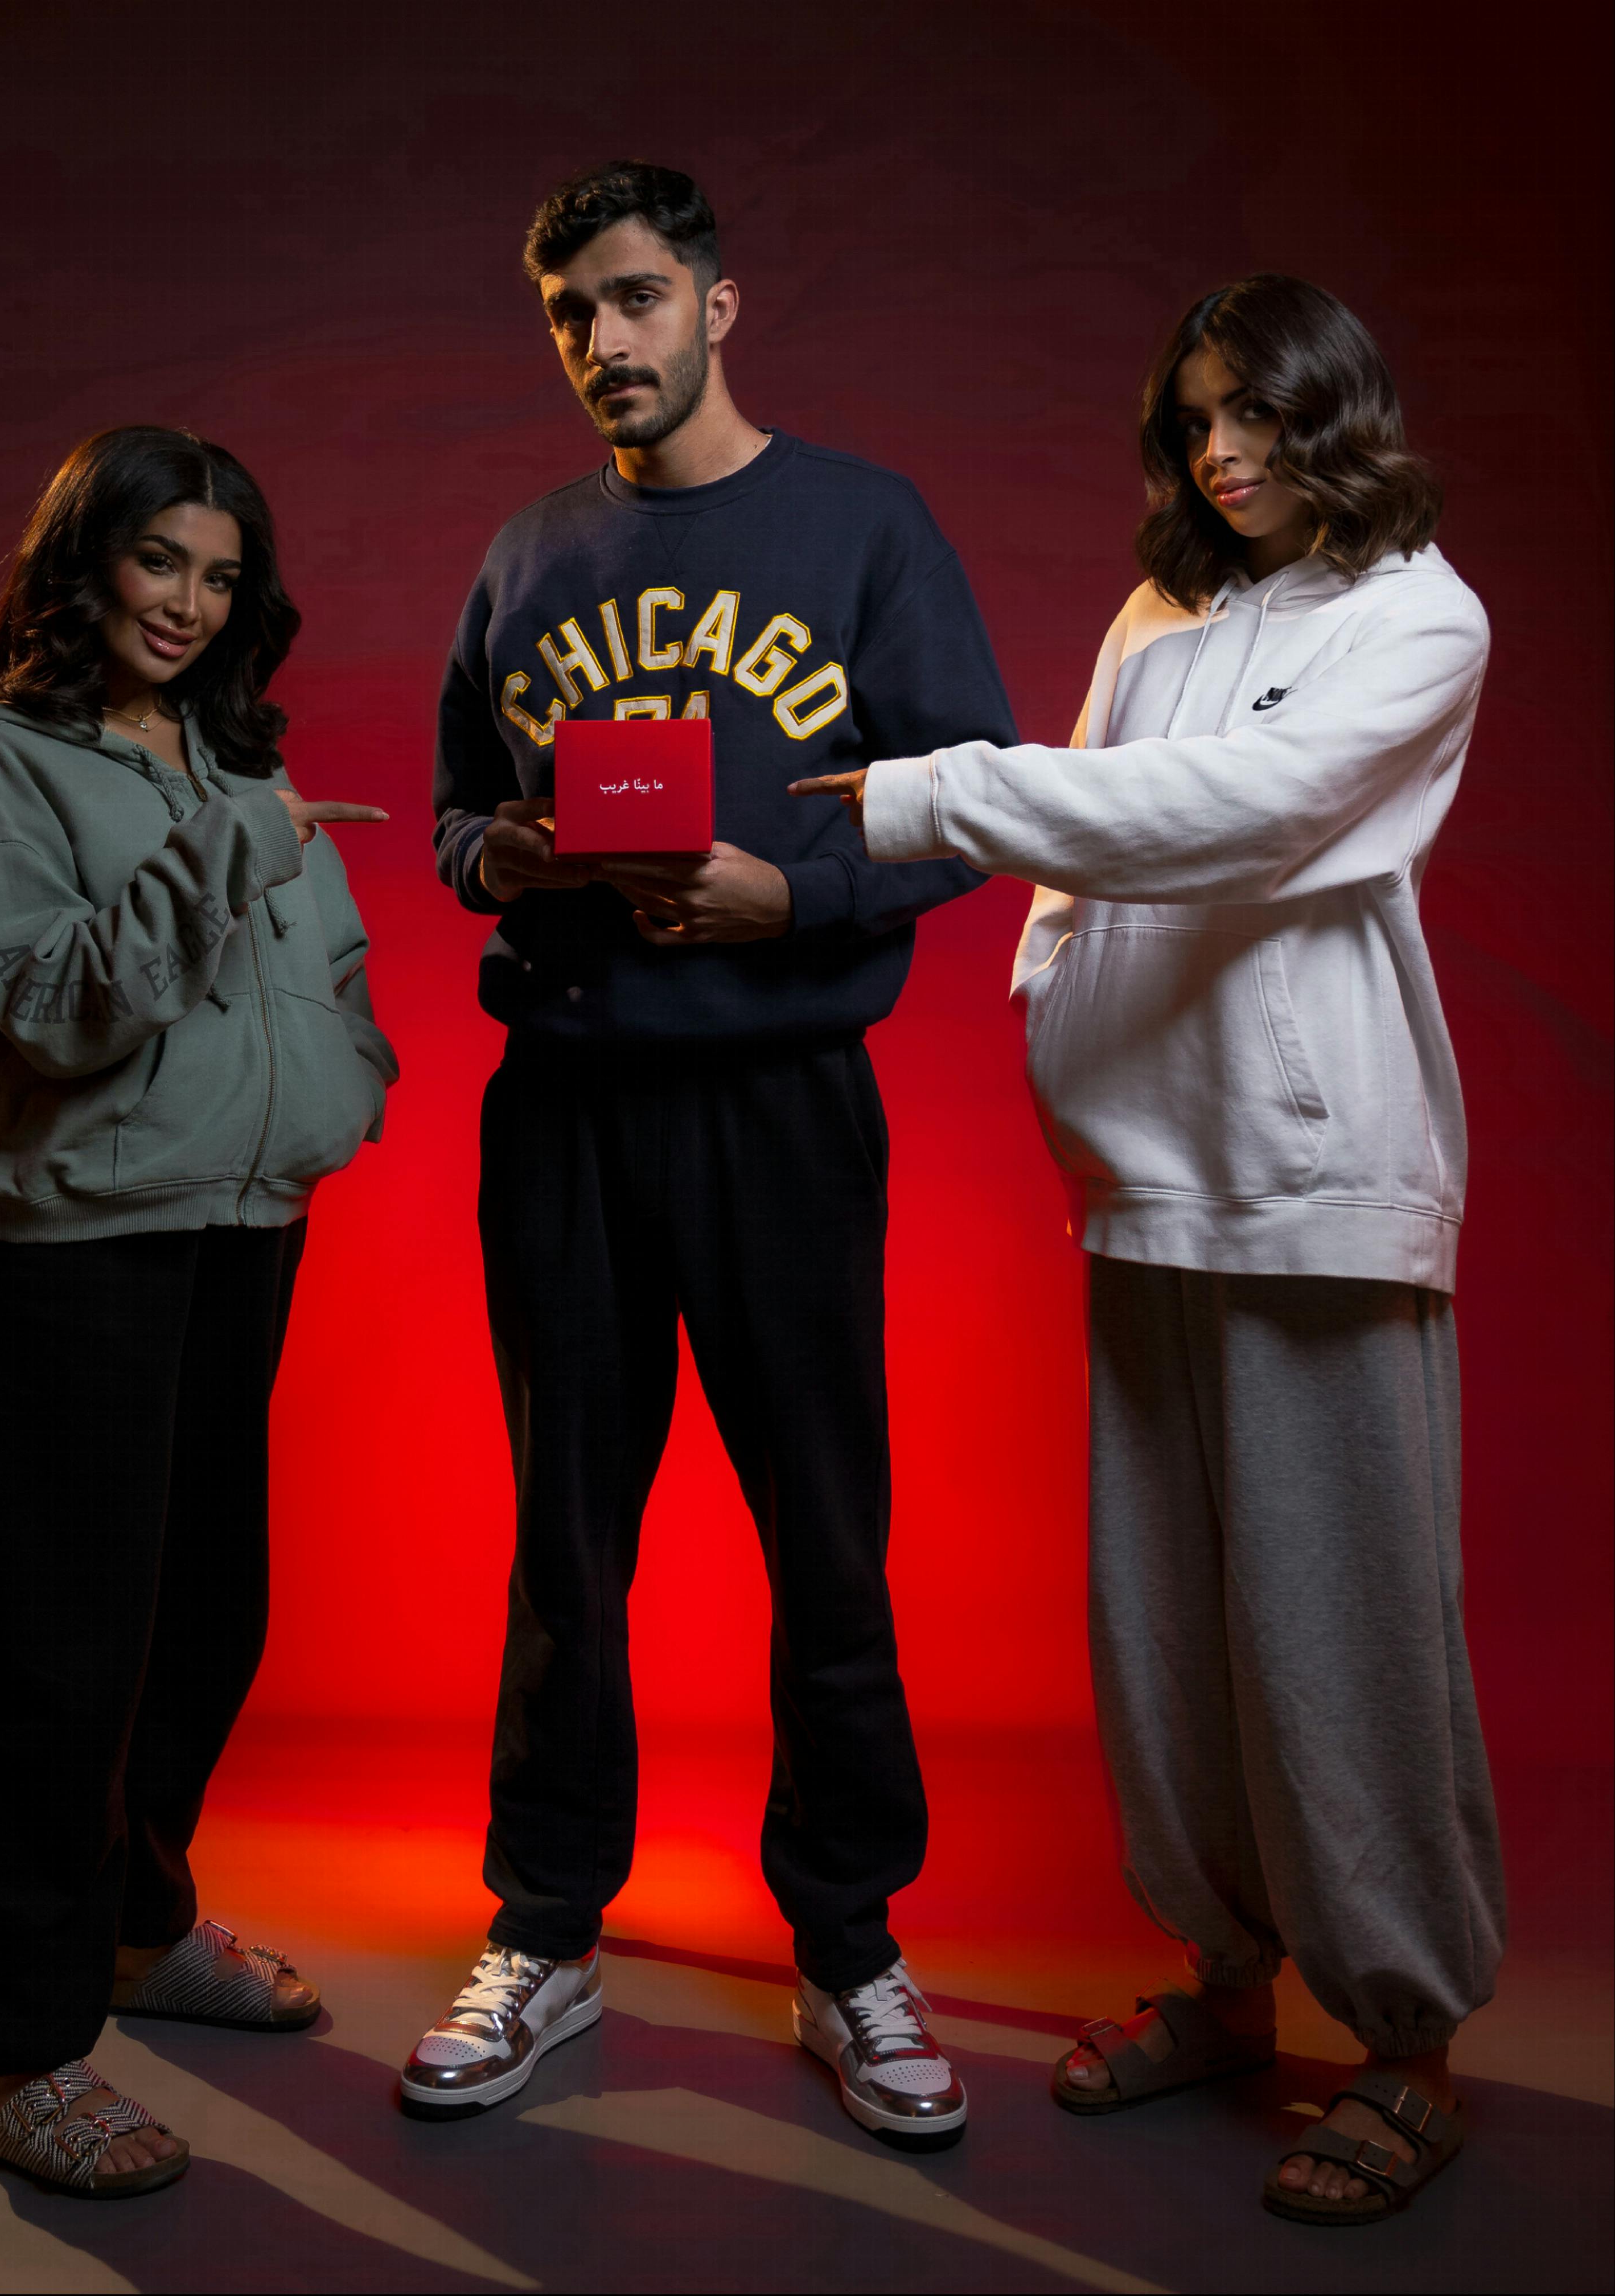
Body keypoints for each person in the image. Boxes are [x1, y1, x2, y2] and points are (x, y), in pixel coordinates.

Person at [795, 274, 1504, 2223]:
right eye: (1195, 418)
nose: (1222, 453)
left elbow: (1240, 813)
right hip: (1138, 1186)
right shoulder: (1155, 616)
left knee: (1338, 1628)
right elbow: (1089, 844)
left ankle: (1406, 2035)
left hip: (1314, 1185)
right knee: (1162, 1630)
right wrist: (1052, 1009)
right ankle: (1225, 1981)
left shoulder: (1418, 612)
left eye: (1259, 416)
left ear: (1333, 415)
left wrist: (940, 793)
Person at [404, 161, 1017, 2147]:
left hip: (778, 1100)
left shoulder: (863, 525)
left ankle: (849, 1944)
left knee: (823, 1533)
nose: (605, 341)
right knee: (567, 1542)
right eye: (572, 310)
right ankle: (547, 1925)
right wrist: (495, 852)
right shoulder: (524, 551)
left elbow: (972, 795)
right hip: (569, 1102)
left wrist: (796, 891)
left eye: (637, 298)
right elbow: (447, 812)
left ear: (719, 306)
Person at [0, 425, 396, 2198]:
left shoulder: (222, 752)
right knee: (55, 1654)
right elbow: (46, 1007)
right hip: (74, 1252)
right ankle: (21, 2051)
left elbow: (322, 970)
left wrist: (346, 1074)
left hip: (240, 1231)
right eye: (157, 562)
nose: (189, 603)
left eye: (219, 573)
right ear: (85, 565)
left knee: (201, 1617)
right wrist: (219, 857)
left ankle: (135, 1923)